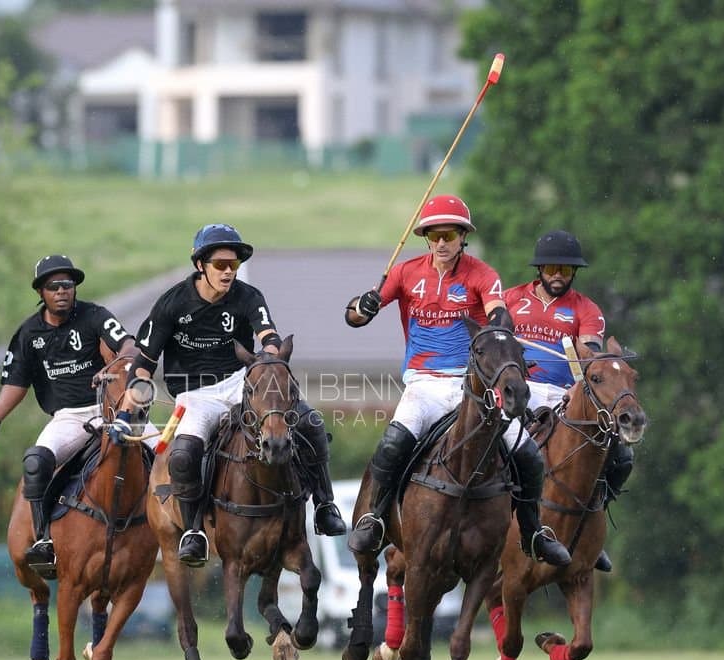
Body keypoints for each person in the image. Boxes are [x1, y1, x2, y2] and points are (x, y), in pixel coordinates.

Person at [343, 195, 569, 566]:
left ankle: (533, 532)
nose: (442, 243)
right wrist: (360, 306)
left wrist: (498, 324)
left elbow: (498, 314)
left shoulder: (482, 275)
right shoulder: (405, 273)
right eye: (434, 236)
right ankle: (376, 518)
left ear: (463, 237)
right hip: (424, 385)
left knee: (528, 454)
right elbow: (355, 318)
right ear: (426, 239)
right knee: (392, 444)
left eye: (449, 235)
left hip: (473, 388)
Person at [132, 223, 346, 568]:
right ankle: (194, 531)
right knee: (184, 454)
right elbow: (143, 363)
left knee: (311, 423)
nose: (228, 271)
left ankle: (324, 504)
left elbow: (269, 337)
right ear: (200, 265)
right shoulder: (172, 304)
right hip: (195, 394)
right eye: (220, 265)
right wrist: (136, 392)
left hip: (240, 385)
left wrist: (271, 361)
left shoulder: (248, 296)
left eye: (233, 264)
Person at [0, 254, 138, 576]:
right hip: (69, 418)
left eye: (68, 284)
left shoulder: (95, 316)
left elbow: (129, 345)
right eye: (53, 286)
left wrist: (115, 364)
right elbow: (15, 383)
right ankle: (44, 541)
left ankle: (177, 529)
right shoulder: (28, 334)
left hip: (112, 411)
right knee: (36, 462)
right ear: (41, 292)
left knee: (165, 457)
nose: (62, 290)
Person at [502, 229, 633, 572]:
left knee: (621, 456)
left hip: (566, 395)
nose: (558, 275)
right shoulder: (511, 299)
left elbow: (588, 355)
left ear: (574, 272)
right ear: (539, 270)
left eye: (565, 269)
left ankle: (591, 525)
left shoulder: (586, 309)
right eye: (551, 268)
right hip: (521, 390)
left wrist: (582, 373)